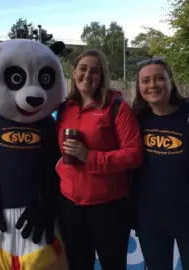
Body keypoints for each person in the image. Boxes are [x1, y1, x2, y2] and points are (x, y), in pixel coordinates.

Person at [130, 57, 189, 270]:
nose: (152, 85)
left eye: (159, 79)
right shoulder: (137, 119)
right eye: (145, 81)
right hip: (151, 222)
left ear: (171, 82)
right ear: (139, 87)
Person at [55, 49, 143, 269]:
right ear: (74, 73)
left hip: (109, 208)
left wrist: (90, 157)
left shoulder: (117, 107)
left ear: (103, 75)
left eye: (95, 71)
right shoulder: (65, 107)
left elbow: (134, 154)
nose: (88, 75)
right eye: (83, 69)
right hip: (71, 206)